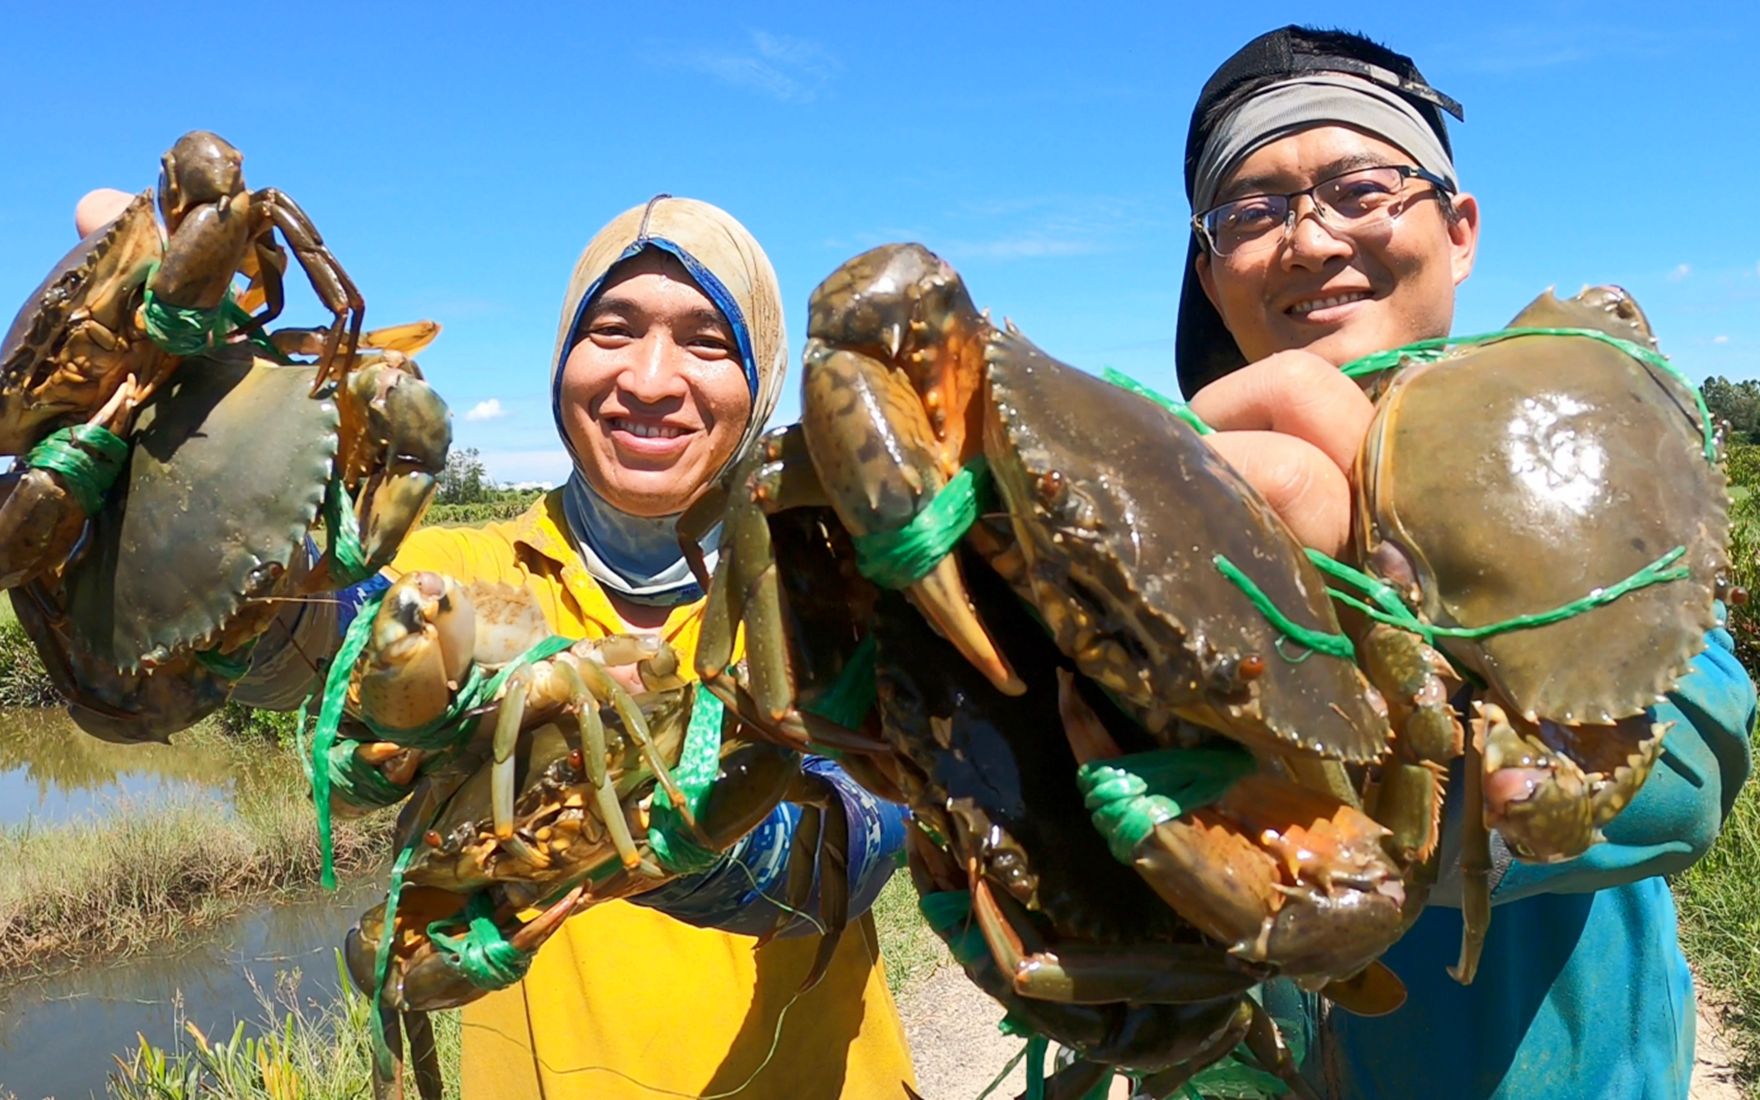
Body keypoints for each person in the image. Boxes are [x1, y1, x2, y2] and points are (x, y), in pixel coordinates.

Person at [73, 189, 918, 1098]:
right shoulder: (454, 570)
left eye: (707, 341)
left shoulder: (838, 588)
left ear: (764, 375)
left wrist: (666, 841)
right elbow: (317, 630)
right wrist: (196, 486)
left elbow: (862, 844)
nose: (649, 378)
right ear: (560, 362)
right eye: (612, 328)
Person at [1175, 26, 1755, 1099]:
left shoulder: (1570, 434)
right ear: (1211, 277)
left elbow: (1686, 773)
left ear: (1457, 230)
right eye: (1251, 211)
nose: (1307, 240)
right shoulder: (1175, 485)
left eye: (1359, 186)